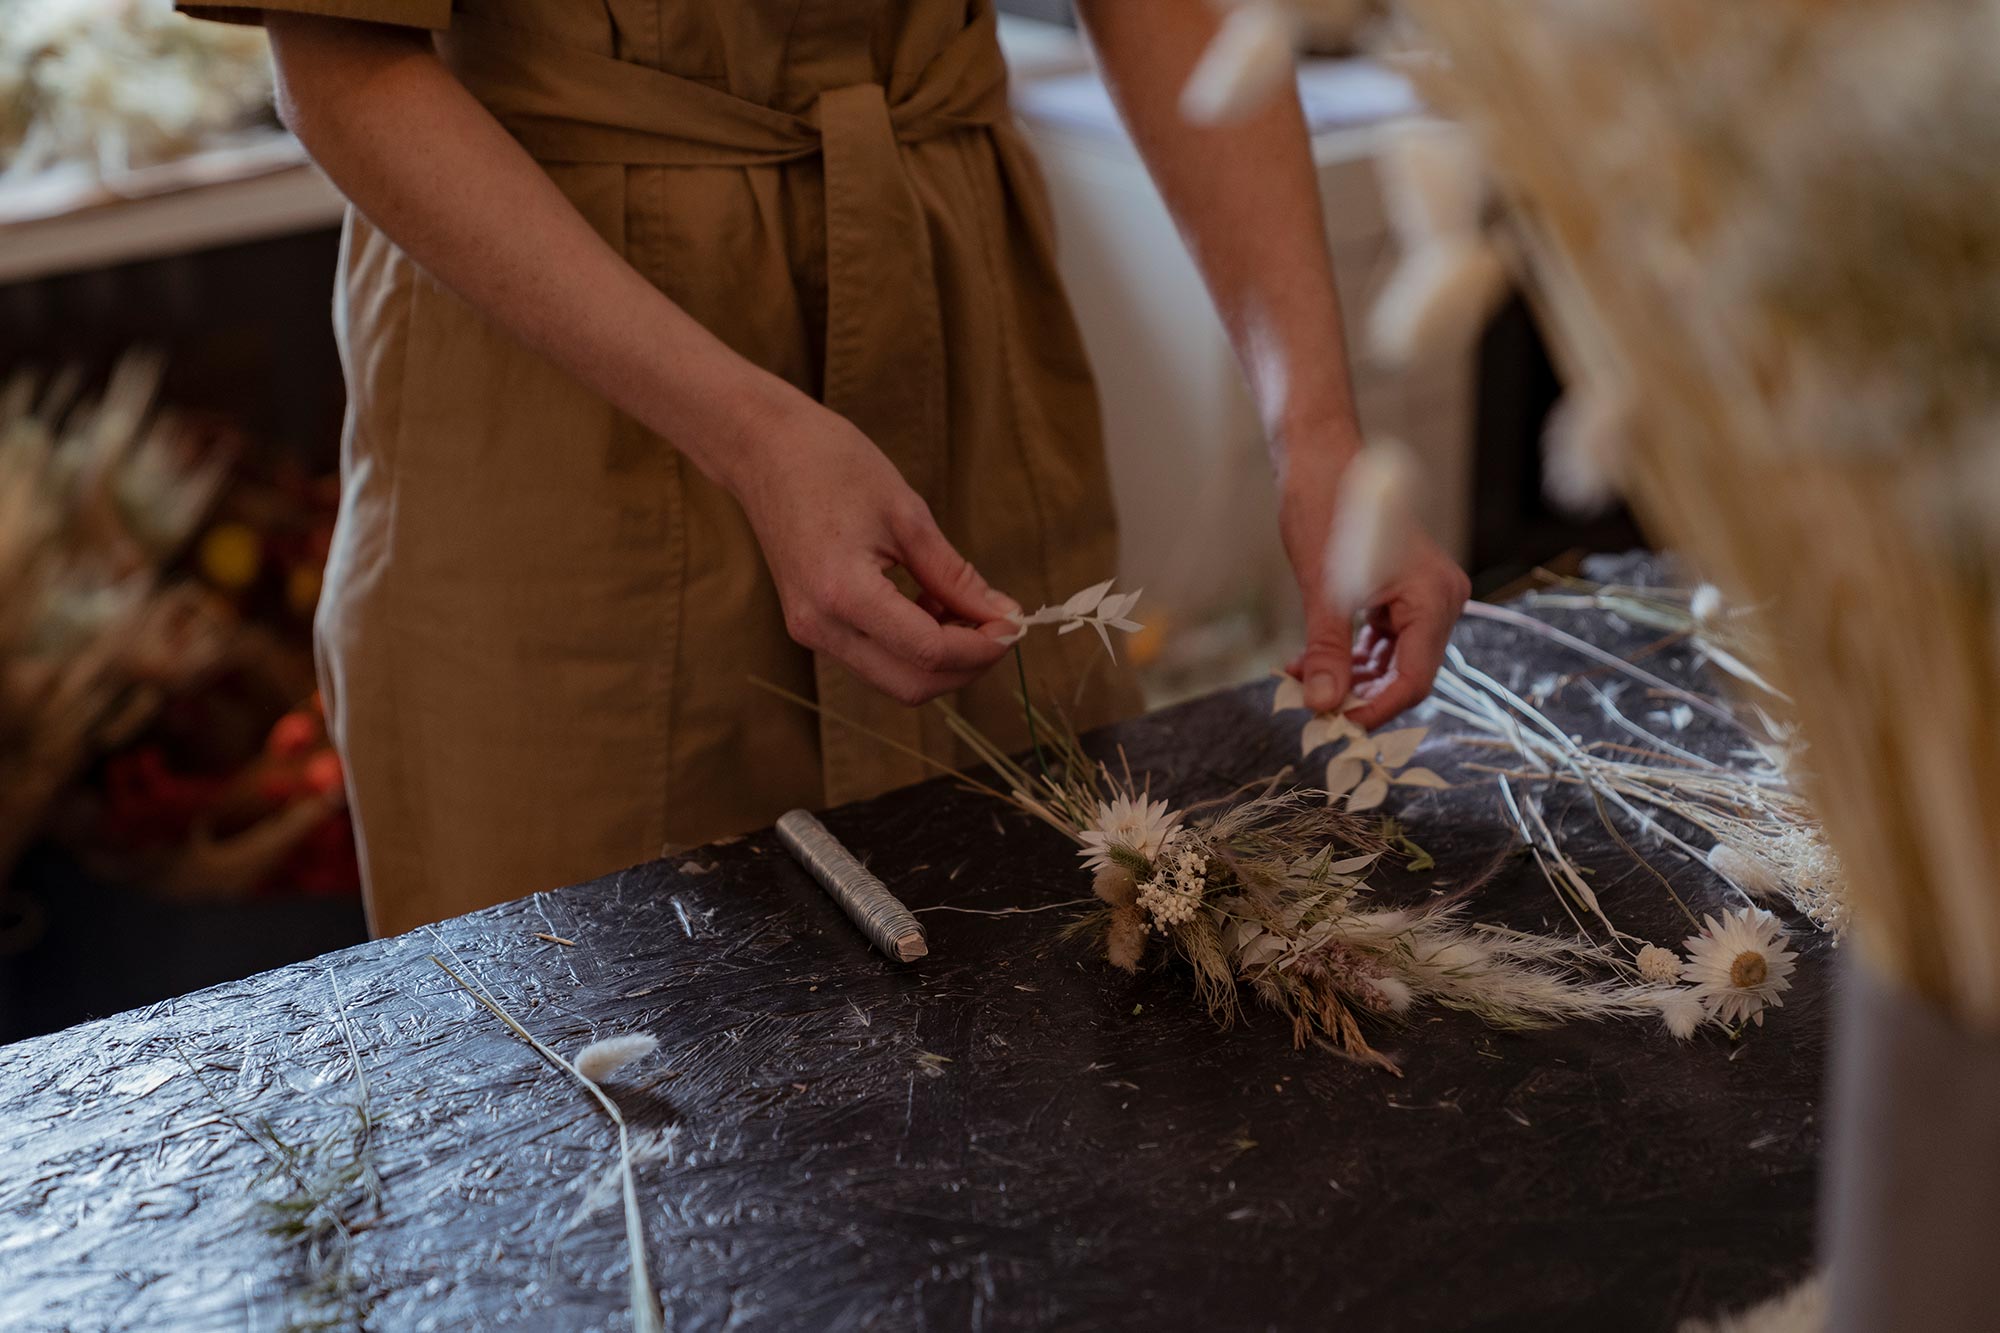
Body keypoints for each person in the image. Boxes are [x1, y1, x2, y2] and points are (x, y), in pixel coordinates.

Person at [180, 0, 1470, 936]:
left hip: (962, 366)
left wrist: (1320, 434)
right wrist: (752, 431)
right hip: (566, 433)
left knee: (1030, 1021)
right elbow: (340, 61)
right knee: (595, 1101)